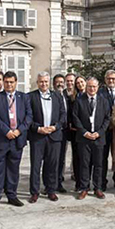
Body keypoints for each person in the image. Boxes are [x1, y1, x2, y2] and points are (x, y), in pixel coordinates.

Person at [0, 71, 33, 211]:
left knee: (13, 169)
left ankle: (12, 195)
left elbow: (29, 116)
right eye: (6, 82)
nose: (9, 84)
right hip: (1, 139)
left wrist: (19, 131)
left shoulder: (23, 97)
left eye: (11, 82)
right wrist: (6, 131)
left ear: (16, 82)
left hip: (17, 139)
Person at [27, 72, 66, 203]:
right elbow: (28, 117)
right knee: (36, 165)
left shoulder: (57, 96)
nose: (43, 84)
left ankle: (51, 190)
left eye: (45, 81)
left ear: (49, 82)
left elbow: (63, 115)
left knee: (52, 165)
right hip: (37, 136)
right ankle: (34, 192)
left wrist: (55, 127)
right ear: (37, 83)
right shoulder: (30, 97)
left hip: (54, 136)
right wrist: (38, 128)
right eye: (41, 82)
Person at [73, 77, 111, 200]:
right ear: (86, 87)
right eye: (89, 86)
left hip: (98, 138)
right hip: (84, 138)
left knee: (99, 164)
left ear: (98, 87)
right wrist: (84, 132)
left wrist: (99, 133)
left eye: (94, 86)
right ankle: (84, 188)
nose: (92, 89)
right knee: (84, 164)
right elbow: (75, 118)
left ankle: (98, 188)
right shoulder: (79, 100)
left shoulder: (104, 101)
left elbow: (107, 118)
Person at [98, 70, 115, 191]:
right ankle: (102, 181)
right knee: (103, 156)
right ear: (105, 80)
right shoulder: (100, 92)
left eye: (113, 79)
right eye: (109, 79)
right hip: (105, 129)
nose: (111, 81)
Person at [69, 75, 87, 191]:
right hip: (76, 132)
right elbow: (71, 114)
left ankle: (86, 182)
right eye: (78, 83)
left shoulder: (92, 95)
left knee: (87, 159)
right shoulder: (73, 97)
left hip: (89, 132)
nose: (80, 84)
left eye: (82, 82)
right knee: (77, 158)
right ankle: (78, 182)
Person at [53, 74, 68, 193]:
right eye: (57, 82)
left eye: (62, 82)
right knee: (53, 159)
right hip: (55, 130)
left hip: (66, 131)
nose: (60, 84)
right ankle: (52, 183)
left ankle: (59, 181)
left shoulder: (68, 96)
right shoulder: (52, 96)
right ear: (53, 84)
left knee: (62, 158)